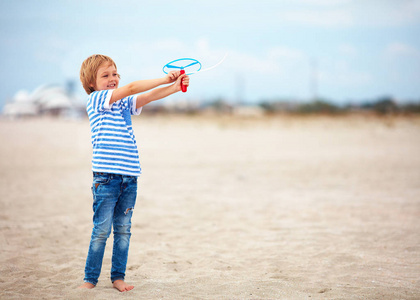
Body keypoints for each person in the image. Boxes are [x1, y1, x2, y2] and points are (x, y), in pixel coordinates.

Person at [78, 54, 189, 292]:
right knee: (101, 230)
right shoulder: (97, 100)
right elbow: (132, 87)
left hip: (129, 178)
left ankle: (118, 277)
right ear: (91, 84)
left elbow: (147, 96)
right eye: (105, 75)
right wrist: (163, 78)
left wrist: (175, 87)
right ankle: (90, 279)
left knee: (124, 230)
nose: (112, 79)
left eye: (115, 74)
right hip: (106, 178)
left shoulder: (123, 103)